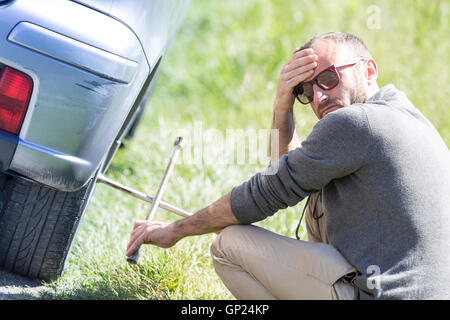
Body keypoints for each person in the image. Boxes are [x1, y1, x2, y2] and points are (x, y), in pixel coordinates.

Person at [126, 32, 450, 300]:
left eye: (328, 78)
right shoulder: (410, 118)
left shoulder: (356, 123)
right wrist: (283, 105)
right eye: (305, 90)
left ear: (369, 70)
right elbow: (284, 174)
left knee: (228, 245)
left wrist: (175, 230)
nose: (319, 97)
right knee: (317, 199)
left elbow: (265, 193)